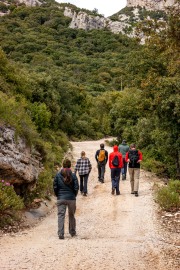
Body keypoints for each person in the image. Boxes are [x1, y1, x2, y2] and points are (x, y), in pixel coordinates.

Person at [53, 159, 79, 239]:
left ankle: (61, 234)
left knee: (61, 216)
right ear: (70, 165)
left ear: (63, 165)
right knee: (71, 215)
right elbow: (76, 187)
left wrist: (58, 195)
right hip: (71, 198)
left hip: (61, 198)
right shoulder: (73, 175)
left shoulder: (58, 175)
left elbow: (55, 186)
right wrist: (74, 195)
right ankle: (72, 232)